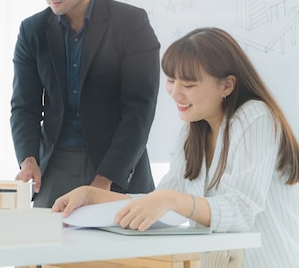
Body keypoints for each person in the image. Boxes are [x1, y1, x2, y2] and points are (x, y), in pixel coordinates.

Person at [53, 27, 299, 267]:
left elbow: (242, 211)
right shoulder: (191, 132)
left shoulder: (255, 117)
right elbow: (160, 204)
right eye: (171, 80)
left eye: (189, 85)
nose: (174, 92)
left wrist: (170, 200)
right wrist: (95, 196)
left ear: (226, 85)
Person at [11, 0, 160, 208]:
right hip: (54, 167)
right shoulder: (32, 31)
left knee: (119, 253)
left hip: (115, 165)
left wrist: (104, 181)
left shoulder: (130, 23)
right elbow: (24, 106)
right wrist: (28, 158)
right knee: (48, 251)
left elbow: (139, 109)